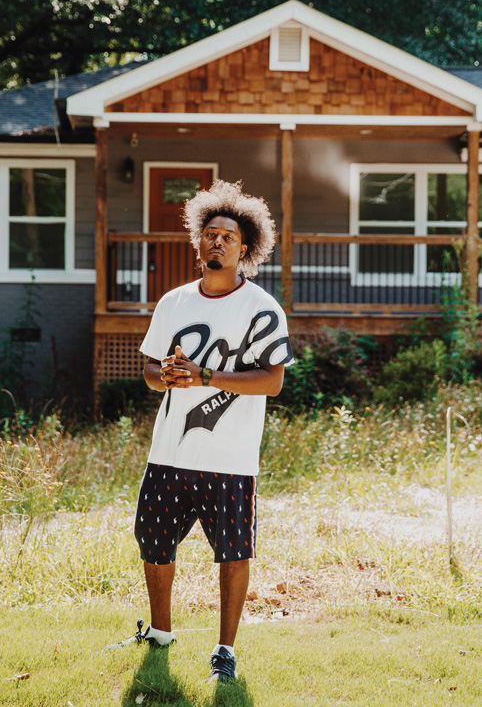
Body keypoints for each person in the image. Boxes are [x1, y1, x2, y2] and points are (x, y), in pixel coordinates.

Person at [116, 180, 292, 684]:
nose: (217, 241)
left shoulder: (261, 309)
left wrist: (207, 376)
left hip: (231, 458)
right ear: (198, 242)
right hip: (169, 452)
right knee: (153, 541)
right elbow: (149, 371)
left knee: (233, 553)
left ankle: (225, 650)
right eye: (210, 233)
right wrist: (166, 376)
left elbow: (274, 381)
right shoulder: (173, 303)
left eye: (228, 237)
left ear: (245, 249)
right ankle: (161, 632)